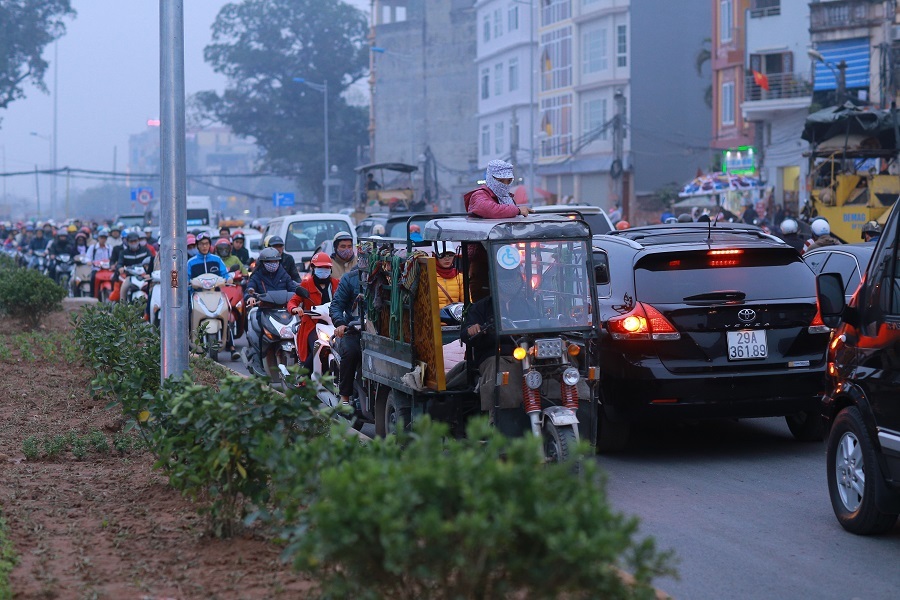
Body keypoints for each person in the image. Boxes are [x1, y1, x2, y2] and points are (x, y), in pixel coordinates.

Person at [464, 160, 531, 300]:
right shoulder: (479, 195)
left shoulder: (507, 198)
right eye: (501, 181)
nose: (505, 185)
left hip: (505, 256)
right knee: (485, 301)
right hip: (483, 258)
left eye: (508, 181)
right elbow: (488, 209)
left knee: (513, 298)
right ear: (491, 178)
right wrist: (517, 210)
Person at [243, 247, 300, 375]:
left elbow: (292, 287)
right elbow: (250, 289)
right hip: (265, 310)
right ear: (262, 263)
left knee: (298, 330)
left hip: (283, 310)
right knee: (258, 331)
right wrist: (250, 297)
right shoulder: (257, 276)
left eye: (276, 261)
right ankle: (257, 359)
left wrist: (299, 293)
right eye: (269, 262)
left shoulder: (283, 274)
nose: (273, 264)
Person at [288, 252, 339, 371]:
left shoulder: (336, 283)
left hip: (333, 323)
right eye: (320, 268)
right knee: (317, 348)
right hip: (312, 325)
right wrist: (295, 308)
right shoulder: (306, 284)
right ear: (313, 268)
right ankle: (303, 376)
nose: (323, 271)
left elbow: (345, 299)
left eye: (326, 268)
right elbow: (293, 301)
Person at [329, 266, 362, 407]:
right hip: (353, 330)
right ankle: (345, 398)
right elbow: (336, 306)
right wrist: (341, 324)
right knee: (351, 352)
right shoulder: (350, 279)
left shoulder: (387, 277)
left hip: (379, 332)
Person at [117, 230, 152, 303]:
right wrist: (120, 268)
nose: (133, 243)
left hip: (144, 276)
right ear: (127, 242)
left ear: (139, 240)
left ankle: (151, 306)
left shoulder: (145, 250)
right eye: (131, 241)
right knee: (124, 288)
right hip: (130, 276)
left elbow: (151, 260)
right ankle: (122, 308)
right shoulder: (123, 253)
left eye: (135, 241)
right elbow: (120, 263)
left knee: (152, 288)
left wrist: (149, 271)